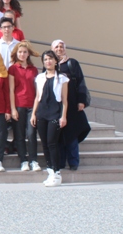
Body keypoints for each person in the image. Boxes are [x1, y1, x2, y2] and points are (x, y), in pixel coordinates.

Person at [52, 39, 91, 171]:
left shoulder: (72, 63)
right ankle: (61, 162)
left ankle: (73, 162)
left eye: (61, 46)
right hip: (56, 106)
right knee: (59, 135)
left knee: (72, 134)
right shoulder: (50, 64)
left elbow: (80, 82)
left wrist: (81, 101)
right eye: (56, 47)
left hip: (72, 104)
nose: (59, 49)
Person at [31, 50, 68, 187]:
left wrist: (63, 116)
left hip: (55, 113)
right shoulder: (40, 78)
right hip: (42, 113)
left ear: (56, 61)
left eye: (50, 59)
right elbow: (37, 97)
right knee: (45, 143)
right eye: (45, 59)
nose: (48, 61)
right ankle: (50, 171)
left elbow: (64, 100)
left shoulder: (62, 78)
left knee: (52, 143)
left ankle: (57, 172)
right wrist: (33, 114)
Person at [9, 41, 41, 172]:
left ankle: (33, 160)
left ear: (28, 54)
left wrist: (35, 110)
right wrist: (12, 109)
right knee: (19, 134)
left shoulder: (34, 70)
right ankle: (23, 160)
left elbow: (37, 90)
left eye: (24, 52)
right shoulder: (13, 69)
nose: (22, 54)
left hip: (31, 106)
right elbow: (11, 90)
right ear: (16, 54)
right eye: (20, 52)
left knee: (31, 133)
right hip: (18, 105)